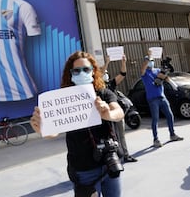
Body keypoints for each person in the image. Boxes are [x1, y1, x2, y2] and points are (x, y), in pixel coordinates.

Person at [30, 51, 124, 197]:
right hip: (84, 169)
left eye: (86, 69)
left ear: (93, 72)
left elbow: (119, 113)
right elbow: (53, 132)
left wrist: (108, 114)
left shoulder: (104, 93)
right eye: (77, 70)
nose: (82, 73)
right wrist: (42, 129)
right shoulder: (63, 100)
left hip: (110, 163)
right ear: (71, 74)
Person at [140, 51, 183, 148]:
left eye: (152, 61)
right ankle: (156, 139)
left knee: (170, 115)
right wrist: (148, 57)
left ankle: (172, 134)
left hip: (162, 97)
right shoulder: (145, 73)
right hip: (152, 99)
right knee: (155, 119)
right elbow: (142, 69)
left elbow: (165, 77)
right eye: (149, 61)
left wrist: (173, 85)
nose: (151, 62)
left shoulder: (157, 70)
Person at [101, 54, 137, 163]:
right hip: (106, 117)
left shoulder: (111, 84)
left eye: (107, 73)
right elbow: (99, 74)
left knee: (121, 135)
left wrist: (123, 62)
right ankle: (112, 157)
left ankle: (126, 155)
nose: (105, 75)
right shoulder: (97, 87)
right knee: (109, 137)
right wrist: (107, 62)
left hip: (117, 114)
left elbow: (123, 74)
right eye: (104, 73)